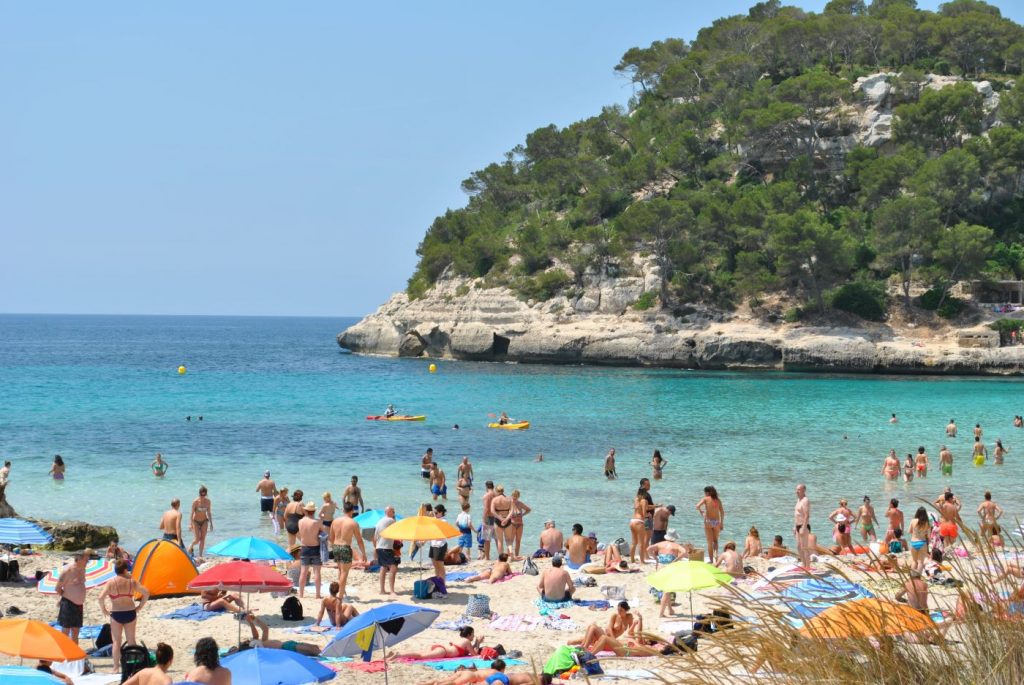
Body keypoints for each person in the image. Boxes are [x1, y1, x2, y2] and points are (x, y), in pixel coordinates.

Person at [98, 559, 149, 675]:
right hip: (130, 612)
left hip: (116, 613)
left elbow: (100, 597)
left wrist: (104, 610)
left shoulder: (111, 582)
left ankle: (116, 668)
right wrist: (140, 606)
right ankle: (133, 666)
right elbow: (146, 593)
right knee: (131, 640)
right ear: (125, 570)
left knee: (116, 642)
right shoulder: (132, 581)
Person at [328, 502, 366, 601]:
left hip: (336, 546)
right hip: (345, 547)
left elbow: (331, 538)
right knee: (344, 572)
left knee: (340, 571)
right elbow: (359, 540)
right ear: (352, 510)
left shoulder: (335, 521)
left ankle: (341, 592)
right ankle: (339, 596)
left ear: (343, 510)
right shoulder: (353, 523)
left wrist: (333, 547)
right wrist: (364, 553)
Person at [570, 601, 637, 652]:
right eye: (618, 610)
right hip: (604, 635)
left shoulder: (629, 617)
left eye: (621, 610)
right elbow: (609, 628)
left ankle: (584, 648)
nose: (619, 612)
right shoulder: (615, 616)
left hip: (607, 640)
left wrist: (634, 641)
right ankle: (584, 646)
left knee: (592, 627)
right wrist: (614, 639)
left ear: (626, 610)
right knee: (572, 642)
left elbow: (631, 631)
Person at [55, 549, 91, 642]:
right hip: (68, 603)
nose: (88, 561)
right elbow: (57, 588)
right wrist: (67, 596)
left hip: (79, 605)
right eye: (86, 559)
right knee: (66, 631)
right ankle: (64, 653)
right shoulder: (67, 571)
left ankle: (75, 654)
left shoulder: (83, 569)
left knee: (76, 631)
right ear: (79, 559)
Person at [388, 626, 482, 660]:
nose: (473, 637)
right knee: (420, 656)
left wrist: (476, 643)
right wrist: (478, 642)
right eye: (473, 635)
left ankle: (396, 653)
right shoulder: (466, 641)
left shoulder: (460, 639)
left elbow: (468, 651)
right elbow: (474, 654)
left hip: (440, 648)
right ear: (469, 635)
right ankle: (398, 654)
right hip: (442, 652)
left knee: (419, 653)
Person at [297, 501, 323, 599]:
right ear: (314, 511)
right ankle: (317, 595)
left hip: (304, 548)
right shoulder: (317, 522)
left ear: (306, 511)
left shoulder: (300, 521)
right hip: (315, 548)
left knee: (303, 572)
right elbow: (323, 531)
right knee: (317, 572)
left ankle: (301, 594)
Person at [374, 505, 399, 595]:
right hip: (386, 547)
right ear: (389, 512)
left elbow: (375, 537)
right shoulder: (391, 520)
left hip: (379, 547)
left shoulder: (379, 521)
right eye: (393, 511)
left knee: (383, 568)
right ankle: (392, 591)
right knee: (393, 568)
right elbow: (398, 529)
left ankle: (382, 590)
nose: (394, 513)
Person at [696, 485, 724, 563]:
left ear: (707, 492)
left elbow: (697, 506)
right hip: (716, 522)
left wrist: (701, 512)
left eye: (704, 492)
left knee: (709, 542)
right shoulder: (718, 500)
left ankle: (711, 560)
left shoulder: (705, 499)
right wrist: (722, 523)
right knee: (715, 541)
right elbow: (722, 512)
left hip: (708, 521)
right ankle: (716, 554)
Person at [503, 489, 531, 559]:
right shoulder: (509, 503)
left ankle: (516, 555)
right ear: (511, 495)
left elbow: (528, 509)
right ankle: (508, 556)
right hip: (512, 524)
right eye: (513, 496)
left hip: (520, 524)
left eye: (516, 496)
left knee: (518, 541)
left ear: (518, 496)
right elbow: (504, 512)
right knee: (511, 541)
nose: (514, 497)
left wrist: (523, 515)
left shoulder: (520, 503)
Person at [188, 485, 213, 558]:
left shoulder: (208, 502)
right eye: (201, 494)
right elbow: (192, 513)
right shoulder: (195, 502)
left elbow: (209, 512)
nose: (202, 496)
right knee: (197, 539)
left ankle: (200, 555)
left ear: (206, 494)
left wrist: (211, 523)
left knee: (203, 539)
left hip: (204, 521)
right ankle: (191, 545)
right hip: (195, 521)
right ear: (199, 493)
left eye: (204, 494)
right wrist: (190, 524)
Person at [429, 505, 451, 579]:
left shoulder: (443, 521)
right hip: (433, 544)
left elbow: (441, 535)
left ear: (441, 512)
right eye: (434, 512)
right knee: (435, 564)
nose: (434, 514)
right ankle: (438, 580)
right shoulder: (435, 519)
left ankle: (442, 583)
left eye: (436, 513)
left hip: (440, 545)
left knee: (440, 565)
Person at [628, 489, 649, 563]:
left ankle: (632, 560)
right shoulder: (644, 501)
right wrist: (648, 515)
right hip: (639, 522)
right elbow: (643, 513)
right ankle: (642, 561)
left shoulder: (636, 500)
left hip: (632, 520)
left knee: (634, 542)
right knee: (641, 543)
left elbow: (637, 510)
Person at [491, 486, 511, 556]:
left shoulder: (494, 500)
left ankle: (501, 558)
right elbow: (512, 511)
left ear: (496, 491)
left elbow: (492, 511)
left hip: (498, 520)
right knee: (508, 540)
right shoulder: (509, 499)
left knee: (500, 540)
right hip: (507, 520)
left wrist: (501, 519)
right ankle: (510, 555)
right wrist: (506, 519)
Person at [908, 507, 930, 572]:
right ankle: (918, 577)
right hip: (922, 543)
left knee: (914, 561)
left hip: (913, 543)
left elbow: (909, 531)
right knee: (920, 562)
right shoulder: (927, 523)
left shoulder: (913, 521)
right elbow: (929, 536)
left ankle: (913, 577)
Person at [794, 484, 811, 568]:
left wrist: (803, 527)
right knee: (798, 547)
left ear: (804, 490)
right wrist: (794, 526)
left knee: (804, 548)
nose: (797, 491)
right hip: (797, 526)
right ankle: (804, 565)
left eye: (799, 490)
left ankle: (808, 567)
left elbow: (806, 515)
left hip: (803, 526)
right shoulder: (798, 500)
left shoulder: (805, 500)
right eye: (796, 489)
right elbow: (797, 514)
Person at [481, 480, 496, 560]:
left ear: (486, 487)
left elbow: (486, 508)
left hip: (489, 517)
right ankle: (500, 555)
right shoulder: (496, 494)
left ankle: (487, 557)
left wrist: (483, 519)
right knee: (497, 539)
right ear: (493, 486)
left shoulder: (487, 495)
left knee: (487, 539)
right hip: (496, 517)